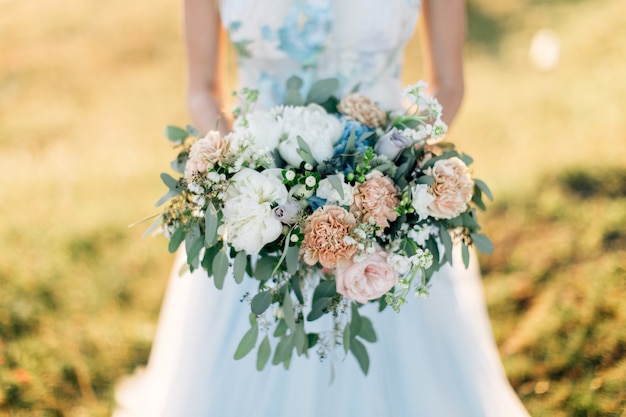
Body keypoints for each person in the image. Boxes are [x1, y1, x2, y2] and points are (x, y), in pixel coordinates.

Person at [114, 0, 531, 416]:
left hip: (386, 208)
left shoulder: (388, 189)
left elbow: (449, 86)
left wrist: (390, 172)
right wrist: (249, 176)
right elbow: (202, 88)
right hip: (260, 211)